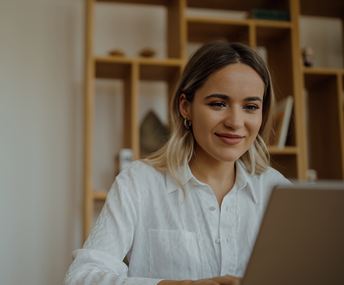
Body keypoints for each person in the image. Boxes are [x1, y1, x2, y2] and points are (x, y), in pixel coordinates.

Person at [65, 40, 291, 285]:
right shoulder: (139, 182)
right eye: (218, 104)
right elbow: (81, 277)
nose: (236, 122)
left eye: (250, 106)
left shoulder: (278, 189)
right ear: (186, 106)